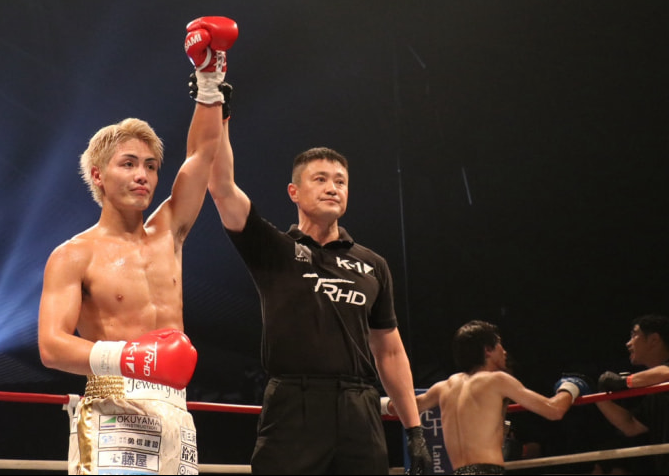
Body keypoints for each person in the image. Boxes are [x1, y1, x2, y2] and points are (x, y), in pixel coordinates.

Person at [37, 16, 238, 475]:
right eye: (128, 164)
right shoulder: (74, 254)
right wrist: (130, 357)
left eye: (149, 165)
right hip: (112, 406)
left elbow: (201, 155)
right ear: (98, 175)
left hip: (175, 407)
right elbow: (51, 346)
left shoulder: (169, 232)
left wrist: (209, 78)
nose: (142, 175)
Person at [205, 90, 433, 474]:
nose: (332, 187)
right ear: (294, 192)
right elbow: (222, 187)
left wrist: (414, 431)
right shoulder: (274, 249)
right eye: (321, 179)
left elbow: (390, 352)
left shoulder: (373, 265)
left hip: (360, 407)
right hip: (293, 404)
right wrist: (219, 118)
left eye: (341, 181)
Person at [409, 320, 590, 475]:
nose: (504, 351)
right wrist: (570, 387)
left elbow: (400, 407)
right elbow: (554, 410)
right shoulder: (496, 380)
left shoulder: (443, 387)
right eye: (499, 344)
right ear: (488, 349)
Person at [596, 313, 669, 475]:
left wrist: (624, 382)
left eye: (634, 335)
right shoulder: (655, 392)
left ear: (654, 340)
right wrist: (600, 397)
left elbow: (666, 372)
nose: (628, 343)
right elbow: (631, 426)